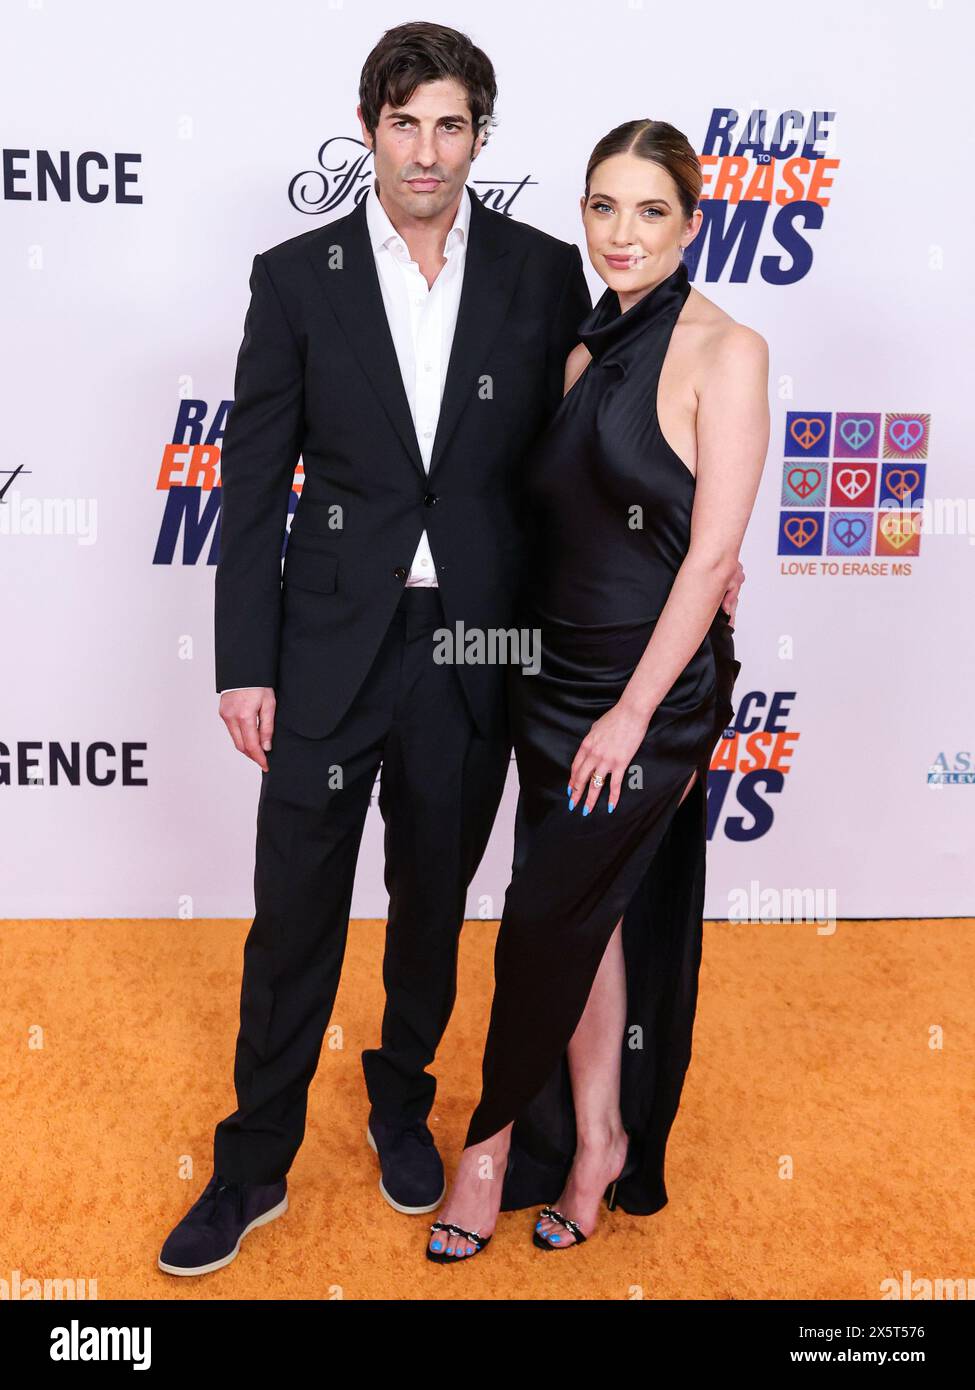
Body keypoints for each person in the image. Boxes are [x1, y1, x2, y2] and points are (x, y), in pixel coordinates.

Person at [426, 119, 768, 1264]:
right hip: (553, 677)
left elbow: (712, 555)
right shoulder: (582, 352)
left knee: (539, 920)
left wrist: (632, 712)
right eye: (603, 208)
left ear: (693, 221)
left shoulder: (731, 351)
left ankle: (489, 1145)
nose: (622, 234)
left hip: (649, 699)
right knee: (584, 923)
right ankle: (599, 1140)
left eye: (651, 211)